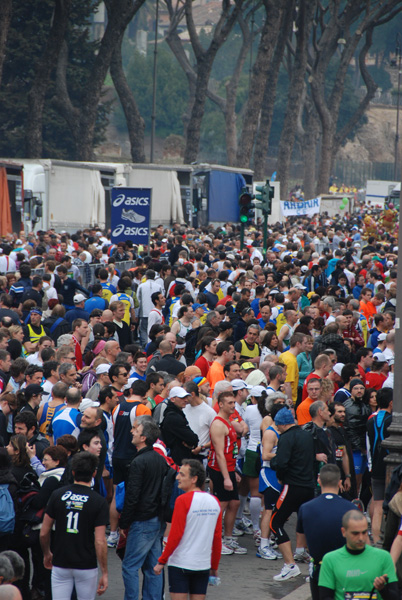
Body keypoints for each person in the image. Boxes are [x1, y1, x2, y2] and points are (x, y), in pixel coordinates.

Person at [40, 452, 109, 600]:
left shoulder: (57, 495)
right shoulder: (99, 501)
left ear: (72, 472)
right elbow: (100, 540)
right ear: (94, 473)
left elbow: (44, 532)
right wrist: (104, 571)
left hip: (61, 561)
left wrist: (47, 553)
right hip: (86, 564)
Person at [154, 459, 221, 600]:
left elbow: (176, 535)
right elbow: (216, 538)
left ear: (194, 479)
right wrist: (214, 566)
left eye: (182, 475)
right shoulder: (214, 502)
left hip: (180, 564)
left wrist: (161, 561)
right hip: (203, 565)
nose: (177, 477)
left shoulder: (183, 500)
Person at [119, 416, 169, 600]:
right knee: (152, 566)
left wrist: (124, 523)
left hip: (142, 520)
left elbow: (132, 496)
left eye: (136, 431)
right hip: (157, 519)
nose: (132, 432)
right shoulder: (159, 459)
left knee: (130, 566)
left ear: (143, 438)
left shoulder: (139, 462)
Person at [296, 464, 356, 600]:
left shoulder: (305, 508)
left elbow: (301, 543)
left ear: (319, 480)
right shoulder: (351, 508)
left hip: (318, 569)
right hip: (345, 569)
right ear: (340, 482)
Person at [270, 406, 315, 581]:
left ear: (282, 424)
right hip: (308, 486)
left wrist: (279, 473)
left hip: (293, 485)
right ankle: (315, 565)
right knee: (309, 526)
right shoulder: (307, 435)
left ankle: (290, 565)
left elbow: (281, 463)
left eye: (278, 425)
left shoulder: (286, 437)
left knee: (275, 522)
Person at [318, 510, 398, 600]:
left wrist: (382, 589)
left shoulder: (384, 557)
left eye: (364, 533)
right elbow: (325, 597)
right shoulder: (330, 559)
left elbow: (395, 597)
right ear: (343, 532)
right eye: (355, 533)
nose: (361, 538)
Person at [208, 391, 247, 556]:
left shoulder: (229, 421)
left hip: (229, 467)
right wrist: (226, 477)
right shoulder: (218, 424)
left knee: (234, 504)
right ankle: (214, 541)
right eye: (229, 403)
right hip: (218, 469)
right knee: (221, 505)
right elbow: (219, 453)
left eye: (233, 402)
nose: (233, 405)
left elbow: (231, 448)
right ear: (221, 404)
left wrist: (233, 471)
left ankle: (228, 539)